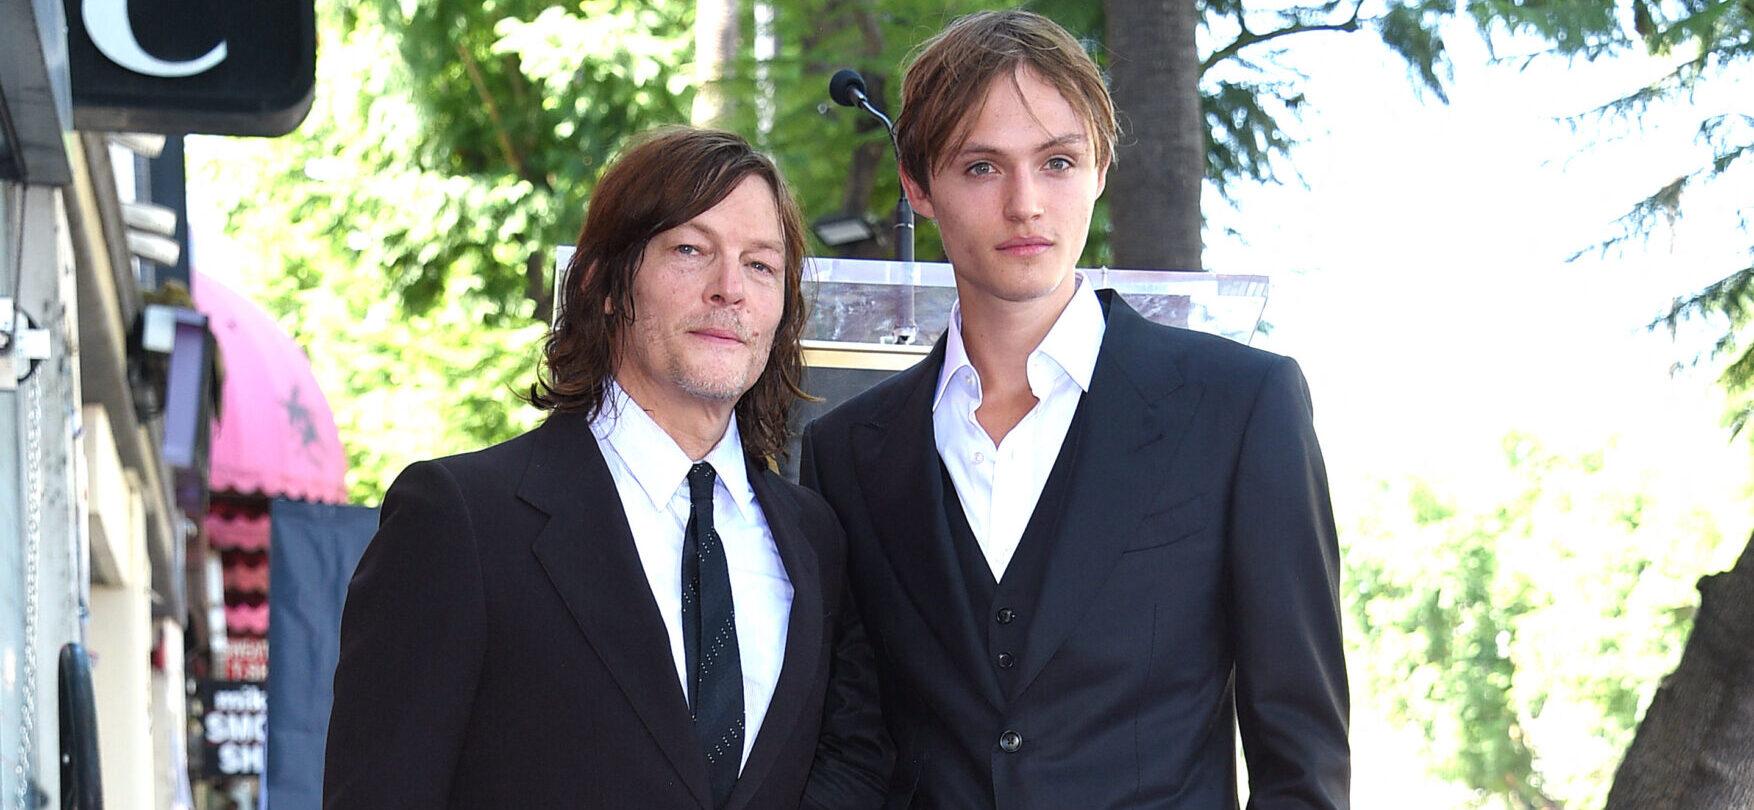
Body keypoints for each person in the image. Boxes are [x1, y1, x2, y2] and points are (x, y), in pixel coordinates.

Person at [800, 11, 1350, 808]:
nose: (1027, 204)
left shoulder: (1241, 407)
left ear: (1099, 169)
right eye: (982, 167)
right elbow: (855, 743)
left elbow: (1301, 758)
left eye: (1057, 161)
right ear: (918, 185)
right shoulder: (848, 452)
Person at [325, 126, 861, 809]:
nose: (731, 289)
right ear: (603, 285)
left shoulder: (816, 542)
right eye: (691, 250)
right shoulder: (460, 519)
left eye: (760, 265)